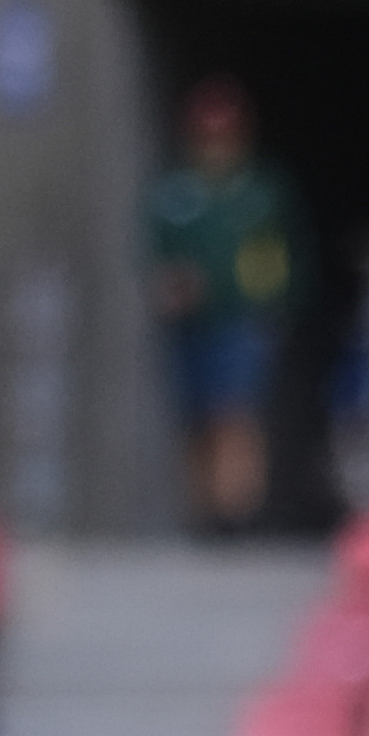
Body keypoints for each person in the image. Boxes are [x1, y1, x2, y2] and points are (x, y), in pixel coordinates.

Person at [147, 79, 301, 537]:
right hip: (190, 325)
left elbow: (275, 257)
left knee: (233, 413)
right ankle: (203, 513)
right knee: (195, 419)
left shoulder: (260, 191)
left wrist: (261, 302)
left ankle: (237, 513)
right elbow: (155, 253)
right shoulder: (174, 192)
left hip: (240, 319)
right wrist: (170, 285)